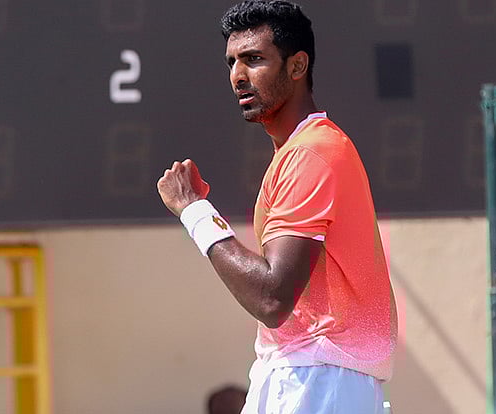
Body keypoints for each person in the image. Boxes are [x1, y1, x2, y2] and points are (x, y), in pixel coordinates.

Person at [157, 1, 398, 413]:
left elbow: (272, 299)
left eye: (254, 59)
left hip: (316, 379)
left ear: (297, 65)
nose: (238, 75)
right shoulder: (303, 151)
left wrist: (195, 210)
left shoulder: (310, 153)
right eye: (232, 62)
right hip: (312, 375)